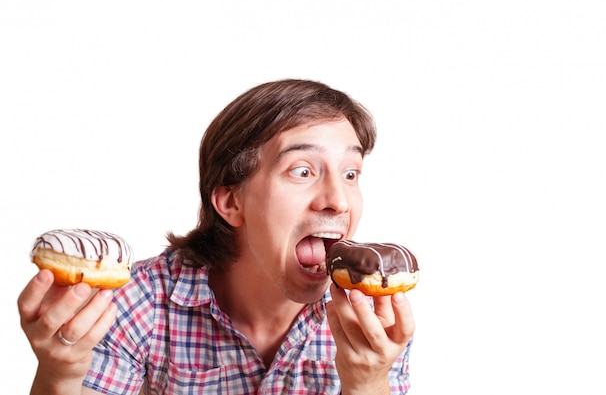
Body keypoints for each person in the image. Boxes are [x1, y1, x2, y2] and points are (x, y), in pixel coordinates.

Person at [18, 79, 415, 394]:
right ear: (231, 202)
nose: (337, 201)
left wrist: (367, 383)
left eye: (351, 173)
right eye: (303, 171)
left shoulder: (374, 318)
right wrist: (61, 375)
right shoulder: (136, 303)